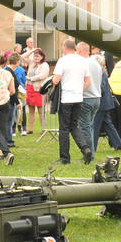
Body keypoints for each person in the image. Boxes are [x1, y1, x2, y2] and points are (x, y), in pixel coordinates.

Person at [51, 37, 92, 165]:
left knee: (64, 128)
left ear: (64, 48)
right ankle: (85, 148)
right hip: (78, 98)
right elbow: (88, 81)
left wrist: (53, 81)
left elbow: (56, 80)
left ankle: (65, 158)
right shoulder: (83, 61)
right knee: (74, 126)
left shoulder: (62, 61)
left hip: (66, 98)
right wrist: (80, 90)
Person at [25, 48, 50, 134]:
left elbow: (42, 75)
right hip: (29, 88)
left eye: (37, 56)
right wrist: (33, 50)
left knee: (40, 110)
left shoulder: (45, 65)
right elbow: (22, 57)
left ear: (42, 57)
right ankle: (30, 129)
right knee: (30, 109)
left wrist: (31, 78)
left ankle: (43, 129)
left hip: (39, 89)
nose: (35, 58)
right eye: (34, 56)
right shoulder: (32, 62)